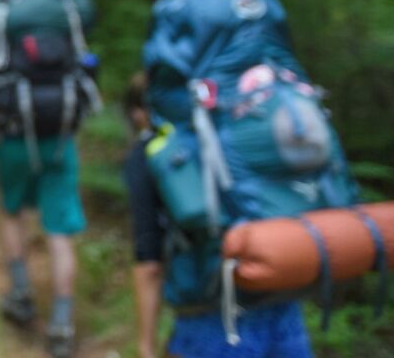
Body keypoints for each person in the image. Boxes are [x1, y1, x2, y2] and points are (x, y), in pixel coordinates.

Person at [124, 76, 315, 358]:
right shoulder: (240, 131)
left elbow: (149, 261)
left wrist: (146, 346)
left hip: (211, 319)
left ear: (142, 111)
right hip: (282, 306)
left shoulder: (150, 154)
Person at [0, 0, 99, 358]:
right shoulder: (69, 12)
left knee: (13, 214)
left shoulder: (0, 16)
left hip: (14, 137)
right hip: (61, 137)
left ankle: (20, 295)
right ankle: (62, 322)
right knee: (60, 230)